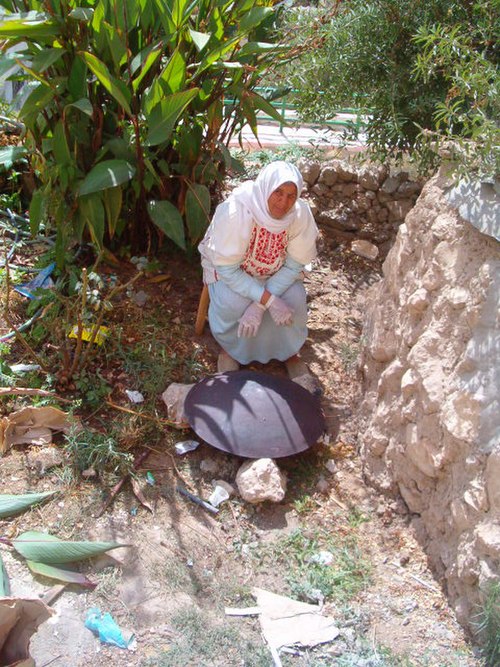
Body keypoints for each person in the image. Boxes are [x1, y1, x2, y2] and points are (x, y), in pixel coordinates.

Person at [198, 160, 319, 384]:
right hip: (234, 273)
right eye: (278, 192)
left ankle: (289, 351)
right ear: (265, 187)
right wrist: (270, 301)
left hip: (277, 273)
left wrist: (261, 304)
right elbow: (228, 269)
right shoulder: (238, 212)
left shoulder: (299, 215)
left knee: (295, 299)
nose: (284, 203)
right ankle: (232, 350)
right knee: (232, 303)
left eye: (292, 195)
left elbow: (294, 265)